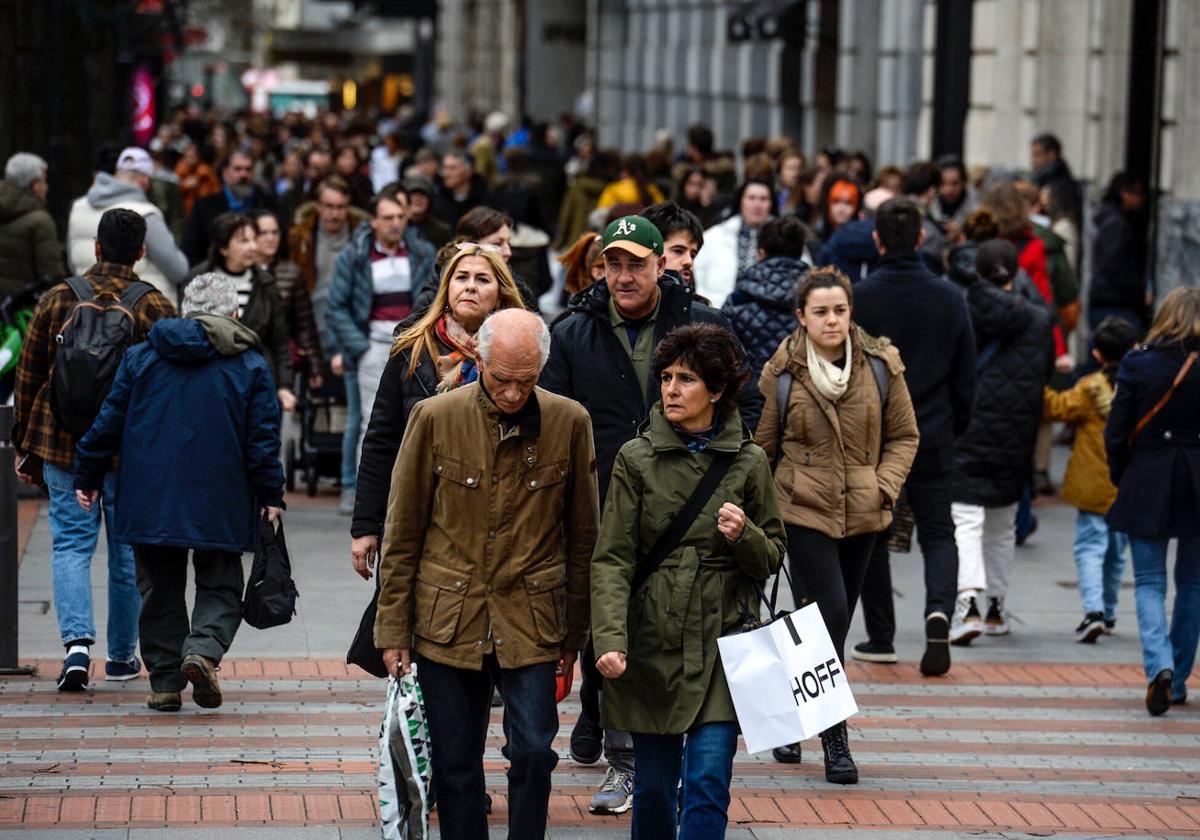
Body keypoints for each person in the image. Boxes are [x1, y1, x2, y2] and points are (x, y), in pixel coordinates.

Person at [540, 214, 763, 815]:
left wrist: (729, 466)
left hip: (695, 509)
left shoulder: (703, 323)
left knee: (677, 633)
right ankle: (621, 756)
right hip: (602, 498)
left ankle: (656, 754)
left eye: (636, 263)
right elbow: (550, 417)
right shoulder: (573, 331)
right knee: (610, 624)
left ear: (661, 263)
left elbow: (752, 400)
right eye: (613, 264)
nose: (624, 275)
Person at [375, 309, 598, 840]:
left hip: (533, 618)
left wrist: (575, 632)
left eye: (529, 381)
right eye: (502, 380)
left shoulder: (570, 422)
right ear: (479, 359)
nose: (515, 394)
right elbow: (402, 531)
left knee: (534, 752)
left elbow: (583, 536)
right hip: (449, 617)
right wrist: (392, 631)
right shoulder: (434, 417)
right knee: (455, 763)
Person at [591, 323, 787, 836]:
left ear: (717, 391)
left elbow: (773, 556)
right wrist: (610, 638)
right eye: (667, 378)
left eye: (688, 380)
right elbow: (612, 558)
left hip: (724, 642)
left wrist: (744, 535)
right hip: (652, 642)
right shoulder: (637, 458)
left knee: (706, 782)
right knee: (654, 789)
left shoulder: (749, 462)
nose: (672, 389)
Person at [73, 273, 284, 711]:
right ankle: (202, 651)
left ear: (184, 310)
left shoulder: (142, 356)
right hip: (221, 494)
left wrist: (88, 474)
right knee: (221, 582)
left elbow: (109, 419)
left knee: (159, 588)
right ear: (233, 314)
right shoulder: (249, 365)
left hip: (150, 494)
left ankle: (166, 683)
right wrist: (271, 493)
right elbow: (262, 440)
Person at [755, 267, 919, 776]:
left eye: (841, 311)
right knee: (829, 615)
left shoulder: (880, 366)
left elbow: (905, 437)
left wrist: (885, 485)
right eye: (821, 312)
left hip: (865, 512)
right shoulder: (782, 373)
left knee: (827, 623)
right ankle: (835, 741)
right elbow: (762, 446)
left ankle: (788, 715)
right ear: (801, 317)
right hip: (801, 508)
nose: (833, 321)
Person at [12, 209, 176, 691]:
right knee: (125, 553)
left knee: (70, 543)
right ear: (142, 252)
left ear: (97, 248)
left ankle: (76, 648)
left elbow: (29, 373)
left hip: (64, 442)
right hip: (128, 449)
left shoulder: (59, 297)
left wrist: (26, 444)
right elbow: (168, 385)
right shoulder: (154, 306)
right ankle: (122, 658)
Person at [850, 198, 976, 675]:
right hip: (934, 430)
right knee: (939, 532)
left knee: (873, 533)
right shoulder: (950, 297)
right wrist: (954, 425)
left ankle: (880, 635)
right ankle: (938, 612)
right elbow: (965, 376)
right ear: (922, 239)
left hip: (875, 437)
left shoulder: (859, 298)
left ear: (877, 240)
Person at [349, 245, 526, 576]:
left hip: (495, 516)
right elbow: (381, 442)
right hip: (419, 511)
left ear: (500, 294)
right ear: (447, 289)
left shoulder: (520, 355)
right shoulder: (412, 351)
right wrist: (365, 526)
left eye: (482, 279)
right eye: (461, 277)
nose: (470, 286)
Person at [947, 240, 1054, 645]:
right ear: (1015, 273)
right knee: (1003, 522)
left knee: (967, 519)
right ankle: (995, 605)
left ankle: (968, 601)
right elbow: (1043, 375)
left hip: (969, 428)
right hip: (1017, 433)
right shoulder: (1041, 320)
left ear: (978, 273)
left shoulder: (962, 310)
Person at [1104, 286, 1200, 716]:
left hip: (1149, 474)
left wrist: (1119, 472)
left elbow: (1117, 428)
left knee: (1148, 581)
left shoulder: (1139, 362)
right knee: (1194, 584)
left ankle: (1158, 665)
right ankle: (1177, 680)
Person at [325, 187, 436, 514]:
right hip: (371, 345)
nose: (395, 224)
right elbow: (336, 307)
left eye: (400, 217)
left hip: (413, 343)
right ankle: (365, 494)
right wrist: (359, 348)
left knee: (416, 415)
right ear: (373, 221)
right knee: (369, 422)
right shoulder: (355, 255)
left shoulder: (420, 251)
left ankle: (406, 495)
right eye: (387, 218)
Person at [1042, 317, 1138, 642]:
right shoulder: (1140, 387)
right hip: (1127, 487)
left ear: (1097, 354)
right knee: (1116, 553)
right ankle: (1109, 612)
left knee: (1089, 548)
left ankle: (1094, 611)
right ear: (1134, 349)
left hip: (1093, 487)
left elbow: (1057, 407)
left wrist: (1035, 383)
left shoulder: (1088, 388)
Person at [186, 213, 293, 410]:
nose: (253, 246)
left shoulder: (266, 283)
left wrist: (285, 386)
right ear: (223, 248)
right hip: (208, 380)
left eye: (253, 239)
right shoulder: (199, 280)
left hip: (255, 380)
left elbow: (279, 341)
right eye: (243, 241)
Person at [67, 147, 189, 306]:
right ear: (145, 180)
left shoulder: (78, 208)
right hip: (144, 312)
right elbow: (178, 269)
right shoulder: (146, 214)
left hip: (89, 311)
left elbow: (72, 262)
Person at [722, 214, 810, 380]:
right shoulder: (818, 299)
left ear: (761, 253)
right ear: (800, 252)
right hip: (805, 395)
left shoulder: (739, 300)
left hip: (751, 397)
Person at [286, 175, 369, 338]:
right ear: (318, 206)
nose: (335, 214)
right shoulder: (301, 237)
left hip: (354, 322)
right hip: (313, 323)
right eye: (329, 206)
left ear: (348, 207)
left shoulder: (364, 237)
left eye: (340, 207)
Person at [250, 209, 323, 387]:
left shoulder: (291, 272)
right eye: (263, 233)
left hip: (282, 358)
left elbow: (304, 323)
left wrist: (315, 366)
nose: (270, 238)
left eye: (275, 232)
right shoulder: (242, 272)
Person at [692, 179, 775, 308]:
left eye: (764, 199)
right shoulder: (714, 236)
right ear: (740, 201)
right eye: (751, 198)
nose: (757, 204)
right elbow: (697, 275)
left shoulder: (787, 237)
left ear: (771, 204)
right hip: (718, 313)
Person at [182, 149, 275, 265]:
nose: (243, 174)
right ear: (225, 173)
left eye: (248, 169)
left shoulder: (268, 204)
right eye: (237, 169)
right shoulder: (204, 207)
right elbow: (191, 250)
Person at [1090, 171, 1149, 334]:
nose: (1141, 199)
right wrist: (1135, 290)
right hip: (1114, 302)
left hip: (1110, 300)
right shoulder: (1116, 223)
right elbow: (1111, 264)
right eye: (1137, 193)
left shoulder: (1112, 219)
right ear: (1124, 193)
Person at [0, 152, 63, 299]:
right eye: (44, 181)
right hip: (22, 314)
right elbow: (51, 276)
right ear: (35, 185)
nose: (46, 187)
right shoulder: (40, 222)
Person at [642, 201, 704, 288]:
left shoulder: (698, 301)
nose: (689, 262)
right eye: (678, 251)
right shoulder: (622, 298)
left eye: (693, 255)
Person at [432, 150, 491, 230]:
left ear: (469, 171)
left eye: (452, 168)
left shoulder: (486, 199)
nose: (445, 173)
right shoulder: (438, 200)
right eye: (444, 168)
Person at [930, 155, 978, 239]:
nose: (948, 190)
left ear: (964, 182)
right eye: (943, 183)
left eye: (954, 183)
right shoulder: (929, 204)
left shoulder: (977, 209)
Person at [596, 153, 665, 210]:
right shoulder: (651, 189)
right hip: (642, 226)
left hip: (620, 226)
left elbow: (600, 214)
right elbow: (662, 210)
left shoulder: (613, 189)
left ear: (625, 171)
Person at [404, 176, 453, 250]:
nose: (417, 199)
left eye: (422, 195)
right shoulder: (398, 227)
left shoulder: (442, 231)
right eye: (412, 195)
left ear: (430, 200)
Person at [174, 142, 220, 219]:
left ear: (199, 156)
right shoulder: (180, 170)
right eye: (188, 156)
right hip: (184, 214)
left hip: (205, 212)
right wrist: (184, 186)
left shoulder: (206, 172)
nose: (190, 158)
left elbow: (216, 192)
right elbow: (172, 192)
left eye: (193, 155)